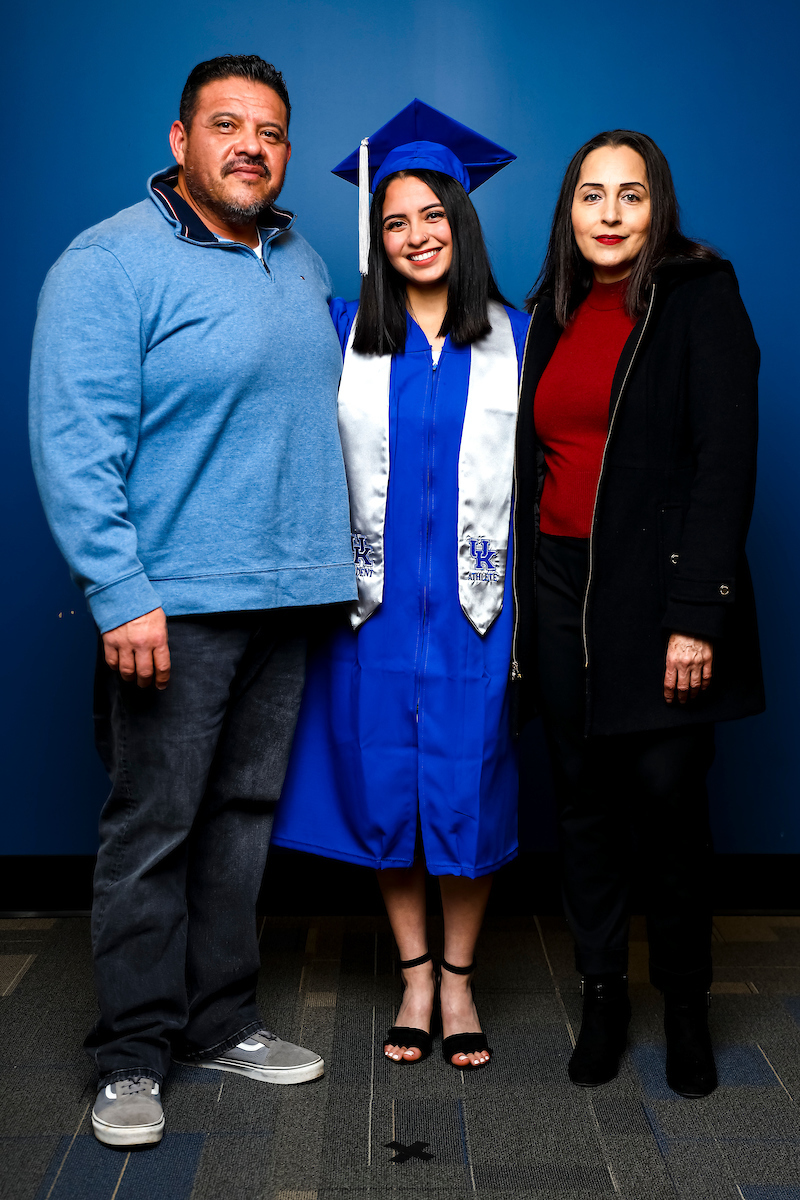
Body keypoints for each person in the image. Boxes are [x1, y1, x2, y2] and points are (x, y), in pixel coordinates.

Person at [29, 55, 356, 1147]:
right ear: (181, 141)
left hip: (287, 596)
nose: (250, 146)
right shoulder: (109, 261)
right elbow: (75, 441)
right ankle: (130, 1052)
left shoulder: (298, 254)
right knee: (154, 827)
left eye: (269, 130)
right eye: (227, 125)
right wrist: (120, 594)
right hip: (172, 608)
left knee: (241, 824)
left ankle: (219, 1021)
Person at [272, 100, 529, 1070]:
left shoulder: (519, 340)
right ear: (375, 239)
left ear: (461, 224)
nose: (415, 235)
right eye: (394, 220)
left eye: (433, 215)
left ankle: (457, 986)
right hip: (367, 617)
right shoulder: (340, 335)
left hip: (476, 617)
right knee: (380, 788)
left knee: (468, 791)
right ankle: (412, 973)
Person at [513, 129, 764, 1098]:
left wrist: (694, 613)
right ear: (567, 210)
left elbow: (724, 463)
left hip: (658, 596)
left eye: (628, 195)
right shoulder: (550, 310)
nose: (608, 215)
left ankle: (686, 1005)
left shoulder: (701, 296)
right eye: (589, 196)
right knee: (581, 806)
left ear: (655, 206)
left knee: (666, 809)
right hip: (556, 586)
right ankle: (602, 994)